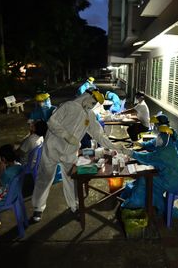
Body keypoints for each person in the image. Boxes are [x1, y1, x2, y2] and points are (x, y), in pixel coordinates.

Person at [31, 88, 123, 222]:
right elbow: (52, 122)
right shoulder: (68, 106)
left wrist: (114, 146)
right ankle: (38, 208)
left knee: (71, 180)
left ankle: (74, 206)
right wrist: (67, 136)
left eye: (95, 103)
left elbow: (99, 135)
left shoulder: (89, 115)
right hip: (52, 148)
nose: (92, 105)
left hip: (69, 152)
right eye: (93, 101)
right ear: (86, 96)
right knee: (45, 177)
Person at [121, 117, 178, 215]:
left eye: (156, 125)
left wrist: (131, 153)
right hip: (174, 176)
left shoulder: (163, 151)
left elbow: (148, 158)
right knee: (146, 178)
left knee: (146, 180)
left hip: (171, 181)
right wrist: (142, 144)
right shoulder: (167, 139)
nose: (155, 127)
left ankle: (140, 203)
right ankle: (146, 200)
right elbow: (154, 143)